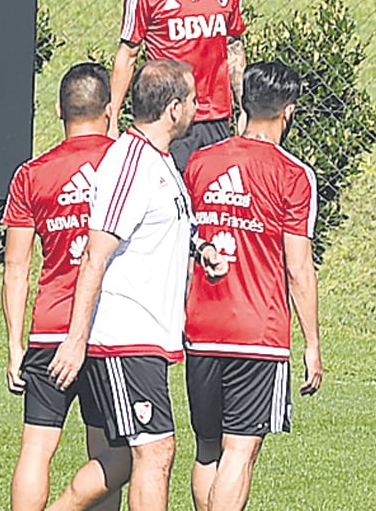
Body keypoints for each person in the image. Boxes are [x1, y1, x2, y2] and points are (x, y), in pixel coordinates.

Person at [49, 59, 227, 511]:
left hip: (145, 338)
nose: (197, 108)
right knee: (157, 450)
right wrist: (75, 339)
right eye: (190, 100)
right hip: (123, 336)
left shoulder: (160, 162)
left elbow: (165, 228)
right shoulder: (131, 163)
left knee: (120, 460)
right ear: (172, 109)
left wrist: (201, 250)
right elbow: (95, 253)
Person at [183, 61, 323, 510]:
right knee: (240, 451)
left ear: (244, 104)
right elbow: (298, 267)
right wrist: (312, 343)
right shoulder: (293, 175)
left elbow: (186, 245)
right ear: (289, 113)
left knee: (207, 447)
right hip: (256, 334)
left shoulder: (200, 162)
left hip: (201, 327)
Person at [1, 63, 131, 511]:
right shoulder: (127, 167)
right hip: (106, 329)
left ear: (58, 110)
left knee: (36, 448)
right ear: (110, 109)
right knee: (112, 453)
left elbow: (16, 266)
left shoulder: (32, 174)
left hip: (48, 330)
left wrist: (16, 346)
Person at [109, 0, 246, 172]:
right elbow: (128, 54)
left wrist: (245, 109)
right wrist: (112, 119)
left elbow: (233, 47)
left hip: (217, 117)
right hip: (169, 117)